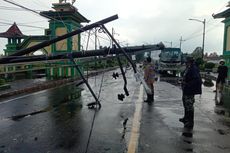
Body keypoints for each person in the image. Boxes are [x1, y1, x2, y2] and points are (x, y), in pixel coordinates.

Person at [179, 57, 202, 129]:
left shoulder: (193, 68)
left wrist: (187, 84)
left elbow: (196, 80)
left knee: (189, 105)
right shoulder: (189, 68)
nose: (185, 63)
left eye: (186, 62)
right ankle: (186, 118)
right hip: (186, 89)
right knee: (185, 103)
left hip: (190, 90)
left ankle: (190, 121)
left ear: (189, 62)